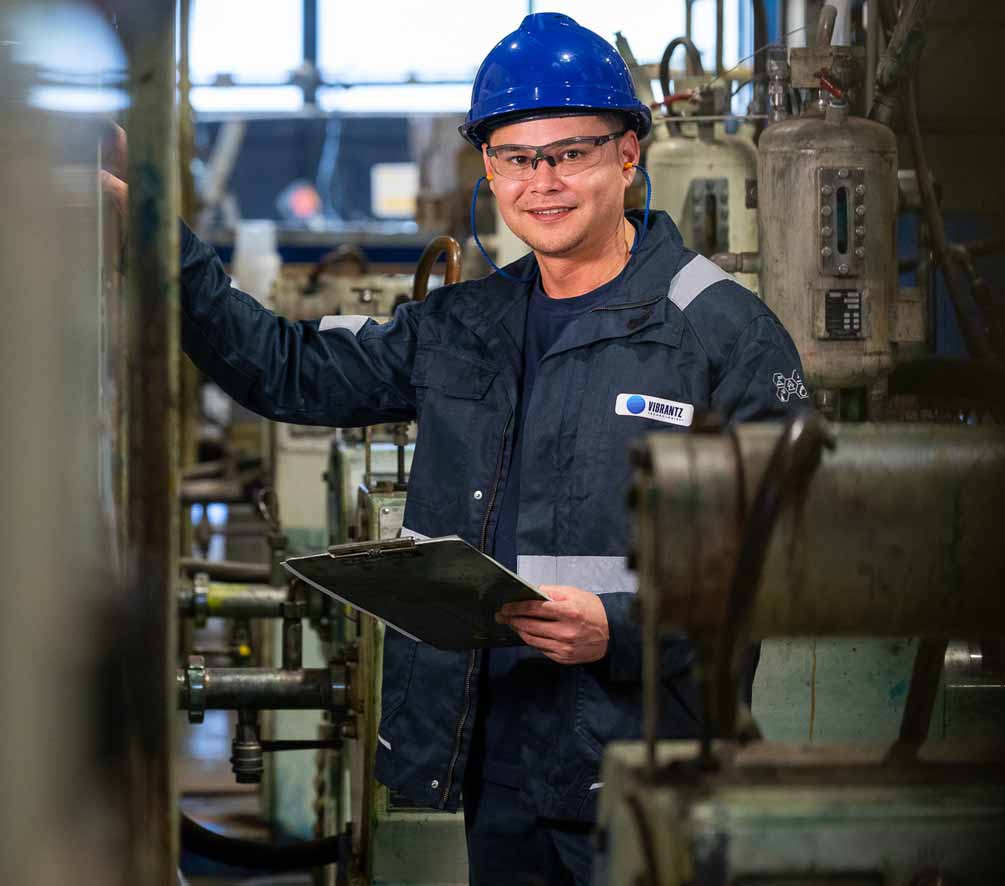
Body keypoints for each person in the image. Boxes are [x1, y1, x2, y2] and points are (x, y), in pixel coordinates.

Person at [103, 12, 807, 885]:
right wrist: (156, 238)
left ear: (629, 155)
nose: (541, 182)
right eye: (516, 157)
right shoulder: (466, 325)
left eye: (571, 152)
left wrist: (619, 630)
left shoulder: (722, 335)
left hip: (648, 764)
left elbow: (784, 560)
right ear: (489, 167)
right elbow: (286, 371)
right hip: (497, 761)